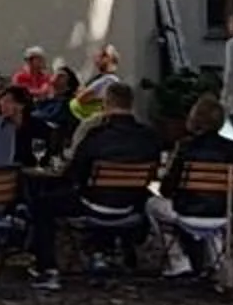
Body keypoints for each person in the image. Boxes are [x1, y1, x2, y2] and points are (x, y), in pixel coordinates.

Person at [49, 80, 166, 283]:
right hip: (131, 206)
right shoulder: (149, 137)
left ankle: (46, 264)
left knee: (43, 203)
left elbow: (74, 174)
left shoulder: (97, 137)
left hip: (94, 205)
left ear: (106, 103)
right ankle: (117, 250)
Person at [148, 95, 233, 277]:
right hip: (222, 213)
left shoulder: (185, 147)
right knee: (214, 207)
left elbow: (166, 189)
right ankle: (216, 260)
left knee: (151, 205)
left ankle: (178, 259)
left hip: (187, 212)